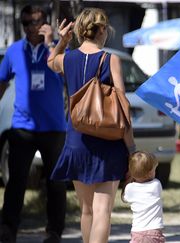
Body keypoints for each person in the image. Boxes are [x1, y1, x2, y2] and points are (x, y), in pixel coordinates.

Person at [46, 8, 135, 243]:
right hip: (108, 143)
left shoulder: (68, 58)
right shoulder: (110, 59)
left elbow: (50, 62)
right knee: (103, 211)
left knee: (86, 211)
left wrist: (62, 41)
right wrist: (132, 148)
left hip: (76, 142)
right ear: (102, 29)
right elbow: (122, 105)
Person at [0, 5, 67, 243]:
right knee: (16, 182)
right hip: (22, 127)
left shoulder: (59, 48)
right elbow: (2, 81)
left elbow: (66, 74)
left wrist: (51, 43)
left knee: (56, 184)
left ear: (46, 23)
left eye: (36, 22)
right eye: (26, 23)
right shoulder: (14, 51)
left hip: (54, 127)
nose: (31, 27)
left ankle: (54, 232)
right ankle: (8, 229)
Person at [121, 151, 165, 243]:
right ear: (149, 173)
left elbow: (125, 198)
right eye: (154, 170)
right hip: (154, 231)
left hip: (137, 231)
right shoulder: (156, 185)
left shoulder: (130, 188)